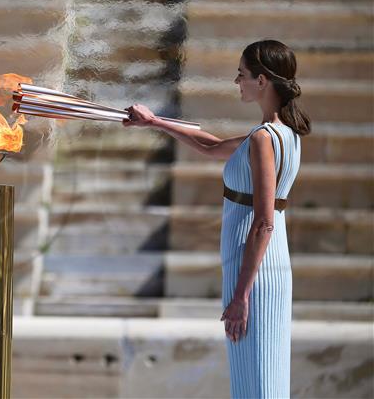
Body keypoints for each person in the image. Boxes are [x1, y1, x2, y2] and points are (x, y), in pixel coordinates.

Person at [123, 39, 310, 398]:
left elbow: (264, 222)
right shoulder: (283, 136)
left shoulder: (263, 140)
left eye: (241, 75)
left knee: (258, 384)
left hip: (253, 273)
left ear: (262, 81)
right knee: (260, 381)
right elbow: (210, 146)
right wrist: (154, 122)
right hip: (265, 269)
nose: (236, 82)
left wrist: (241, 294)